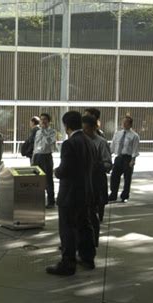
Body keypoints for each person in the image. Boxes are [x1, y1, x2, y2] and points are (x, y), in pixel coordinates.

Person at [46, 111, 97, 276]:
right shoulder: (89, 141)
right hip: (85, 191)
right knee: (84, 225)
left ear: (66, 125)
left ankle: (68, 264)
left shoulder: (70, 143)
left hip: (70, 194)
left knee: (67, 228)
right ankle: (88, 257)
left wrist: (56, 172)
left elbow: (65, 169)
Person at [82, 115, 112, 246]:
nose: (85, 131)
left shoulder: (101, 142)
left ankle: (93, 241)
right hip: (82, 183)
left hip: (95, 183)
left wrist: (94, 165)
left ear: (94, 128)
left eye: (87, 129)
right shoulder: (81, 140)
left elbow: (108, 164)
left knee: (92, 215)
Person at [108, 116, 140, 203]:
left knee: (127, 178)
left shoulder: (134, 136)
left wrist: (133, 160)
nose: (124, 124)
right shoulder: (117, 134)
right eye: (123, 122)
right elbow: (113, 145)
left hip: (128, 158)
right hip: (119, 157)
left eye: (126, 122)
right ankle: (113, 194)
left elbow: (135, 149)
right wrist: (109, 155)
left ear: (130, 124)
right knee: (114, 176)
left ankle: (125, 195)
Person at [32, 113, 56, 209]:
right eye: (41, 119)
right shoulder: (37, 132)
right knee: (37, 178)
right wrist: (33, 159)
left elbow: (49, 142)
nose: (42, 121)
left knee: (48, 179)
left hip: (46, 156)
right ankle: (38, 200)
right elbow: (35, 145)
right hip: (37, 156)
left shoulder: (52, 131)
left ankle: (51, 201)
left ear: (49, 121)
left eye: (45, 119)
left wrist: (44, 131)